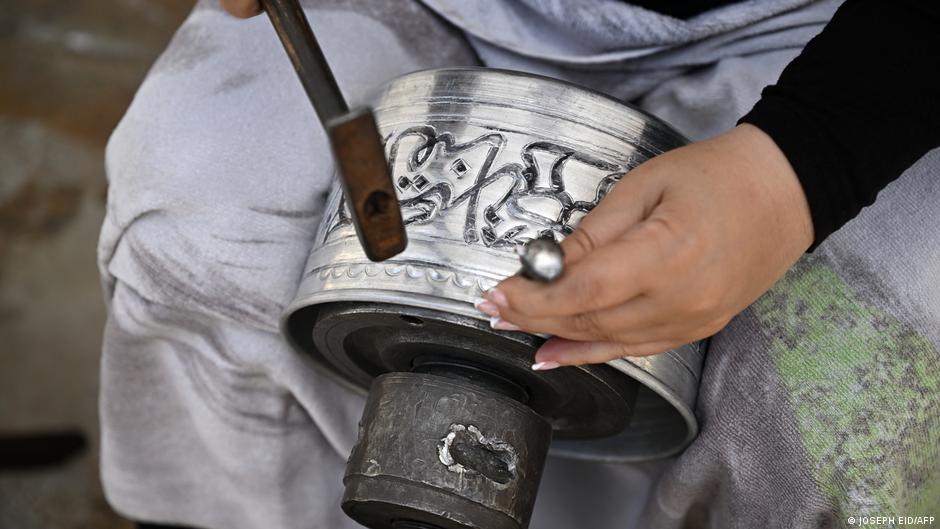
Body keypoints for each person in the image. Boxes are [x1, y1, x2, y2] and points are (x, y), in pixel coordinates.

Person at [99, 1, 939, 528]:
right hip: (444, 10)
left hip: (840, 48)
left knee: (880, 389)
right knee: (190, 209)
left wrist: (805, 165)